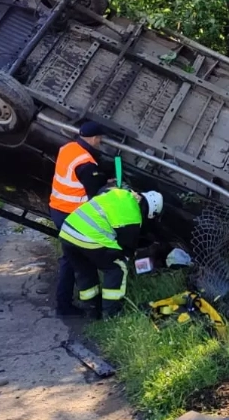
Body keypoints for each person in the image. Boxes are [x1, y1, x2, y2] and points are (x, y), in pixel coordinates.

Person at [59, 187, 163, 318]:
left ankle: (92, 310)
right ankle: (111, 313)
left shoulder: (121, 192)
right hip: (88, 237)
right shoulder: (134, 217)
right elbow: (126, 249)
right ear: (150, 212)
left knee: (84, 270)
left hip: (68, 231)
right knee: (117, 267)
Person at [49, 121, 110, 315]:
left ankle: (68, 302)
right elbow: (95, 194)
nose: (100, 142)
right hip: (71, 215)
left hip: (57, 208)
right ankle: (67, 305)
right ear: (93, 138)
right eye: (100, 139)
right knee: (75, 258)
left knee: (71, 256)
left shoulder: (68, 148)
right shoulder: (85, 162)